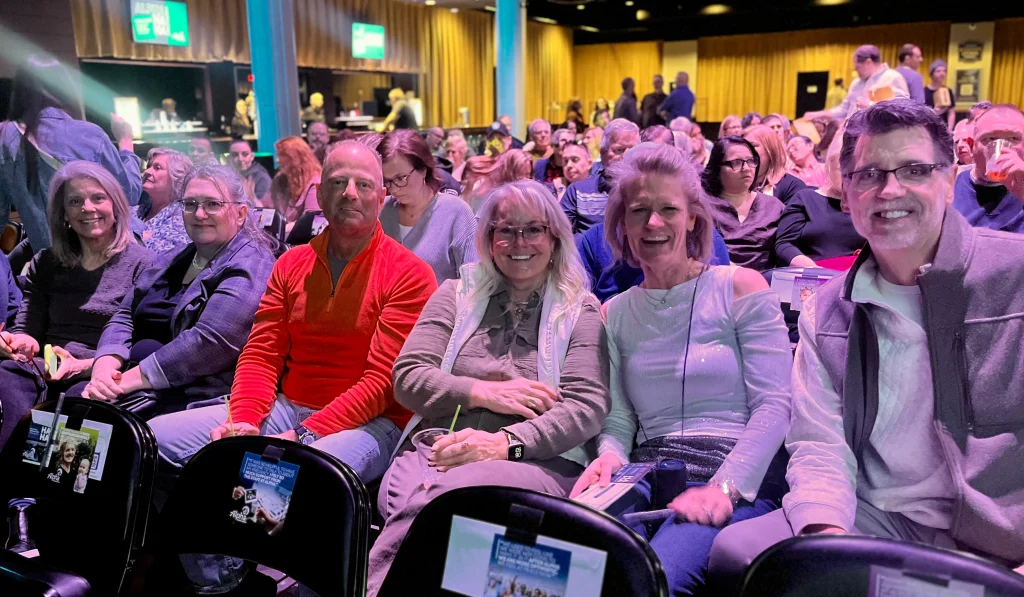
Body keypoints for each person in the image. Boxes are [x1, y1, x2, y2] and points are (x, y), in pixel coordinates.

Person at [709, 98, 1024, 586]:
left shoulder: (1015, 275)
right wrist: (829, 540)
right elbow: (819, 443)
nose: (889, 189)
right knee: (740, 554)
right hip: (878, 517)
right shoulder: (828, 308)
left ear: (950, 177)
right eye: (869, 174)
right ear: (847, 191)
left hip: (1000, 533)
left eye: (914, 169)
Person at [146, 142, 436, 593]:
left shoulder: (410, 273)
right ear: (320, 195)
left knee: (300, 476)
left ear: (383, 197)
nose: (350, 194)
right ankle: (222, 575)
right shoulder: (292, 262)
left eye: (363, 185)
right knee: (154, 442)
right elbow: (262, 353)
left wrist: (305, 436)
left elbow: (383, 382)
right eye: (338, 183)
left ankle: (303, 579)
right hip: (286, 407)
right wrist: (244, 420)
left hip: (373, 423)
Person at [366, 180, 611, 595]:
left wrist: (504, 443)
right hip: (438, 445)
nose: (519, 242)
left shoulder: (579, 308)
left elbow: (585, 406)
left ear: (554, 237)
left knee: (435, 505)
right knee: (417, 498)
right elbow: (407, 376)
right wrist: (481, 392)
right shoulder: (455, 294)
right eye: (505, 230)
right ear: (488, 238)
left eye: (533, 229)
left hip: (536, 459)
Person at [570, 143, 792, 595]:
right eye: (639, 211)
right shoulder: (614, 313)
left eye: (667, 209)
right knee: (570, 568)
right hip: (649, 477)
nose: (653, 223)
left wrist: (724, 486)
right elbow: (618, 419)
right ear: (622, 224)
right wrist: (610, 457)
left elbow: (776, 404)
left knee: (655, 579)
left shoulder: (741, 287)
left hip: (737, 478)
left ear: (692, 216)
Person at [81, 165, 276, 415]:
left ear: (240, 213)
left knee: (91, 419)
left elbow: (209, 342)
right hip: (132, 382)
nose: (199, 213)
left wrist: (122, 383)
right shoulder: (174, 257)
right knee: (71, 408)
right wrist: (104, 368)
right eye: (190, 203)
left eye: (213, 204)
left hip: (192, 394)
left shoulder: (253, 263)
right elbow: (124, 315)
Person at [0, 161, 151, 450]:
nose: (88, 208)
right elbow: (28, 328)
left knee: (84, 400)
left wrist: (84, 367)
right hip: (45, 364)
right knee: (9, 373)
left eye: (98, 198)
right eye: (75, 201)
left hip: (101, 371)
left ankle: (54, 490)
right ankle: (10, 483)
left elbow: (142, 347)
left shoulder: (144, 264)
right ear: (64, 214)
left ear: (116, 206)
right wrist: (17, 342)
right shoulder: (46, 263)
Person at [1, 55, 142, 252]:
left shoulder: (3, 138)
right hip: (104, 254)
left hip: (51, 264)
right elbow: (129, 194)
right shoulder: (88, 134)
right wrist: (126, 142)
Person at [377, 129, 479, 283]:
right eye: (387, 181)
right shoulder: (381, 211)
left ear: (423, 169)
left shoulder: (457, 213)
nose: (394, 189)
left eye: (401, 178)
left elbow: (473, 283)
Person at [775, 127, 864, 268]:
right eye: (842, 169)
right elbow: (784, 244)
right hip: (813, 275)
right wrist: (813, 269)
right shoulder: (806, 198)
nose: (849, 177)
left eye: (857, 171)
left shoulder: (869, 203)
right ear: (828, 167)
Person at [703, 136, 784, 271]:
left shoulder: (774, 206)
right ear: (717, 168)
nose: (746, 168)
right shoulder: (703, 206)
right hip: (717, 280)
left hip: (767, 281)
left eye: (751, 161)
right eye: (736, 162)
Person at [952, 105, 1024, 233]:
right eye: (990, 139)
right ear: (971, 145)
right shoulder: (950, 186)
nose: (1001, 149)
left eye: (1014, 139)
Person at [561, 119, 640, 234]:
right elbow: (560, 237)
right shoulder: (578, 192)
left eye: (634, 149)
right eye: (620, 150)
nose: (628, 156)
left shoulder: (650, 191)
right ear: (603, 154)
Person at [803, 45, 910, 122]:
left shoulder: (892, 78)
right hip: (852, 138)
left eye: (857, 67)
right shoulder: (856, 83)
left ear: (868, 62)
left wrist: (869, 105)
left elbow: (902, 110)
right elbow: (844, 109)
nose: (856, 71)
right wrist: (819, 114)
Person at [135, 148, 192, 253]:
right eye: (148, 166)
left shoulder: (183, 219)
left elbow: (162, 259)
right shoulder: (134, 211)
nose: (147, 171)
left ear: (177, 178)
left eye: (157, 168)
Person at [269, 136, 322, 234]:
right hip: (281, 237)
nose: (277, 160)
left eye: (282, 156)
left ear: (296, 158)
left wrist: (279, 230)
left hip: (303, 241)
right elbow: (269, 209)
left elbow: (311, 222)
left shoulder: (315, 183)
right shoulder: (279, 179)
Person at [744, 125, 807, 205]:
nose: (745, 151)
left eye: (753, 146)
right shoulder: (734, 184)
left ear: (770, 150)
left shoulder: (793, 187)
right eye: (744, 147)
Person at [463, 150, 533, 213]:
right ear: (508, 173)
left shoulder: (529, 195)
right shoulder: (485, 194)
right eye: (520, 176)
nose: (526, 180)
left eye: (527, 175)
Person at [227, 138, 271, 206]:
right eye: (235, 155)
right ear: (229, 158)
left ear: (252, 156)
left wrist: (251, 197)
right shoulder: (226, 176)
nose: (240, 159)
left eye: (245, 154)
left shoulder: (262, 178)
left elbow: (266, 210)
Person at [925, 60, 957, 131]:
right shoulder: (923, 91)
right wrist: (933, 112)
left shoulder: (948, 91)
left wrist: (949, 130)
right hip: (927, 129)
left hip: (943, 129)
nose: (942, 73)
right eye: (938, 71)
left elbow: (951, 112)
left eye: (944, 71)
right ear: (931, 74)